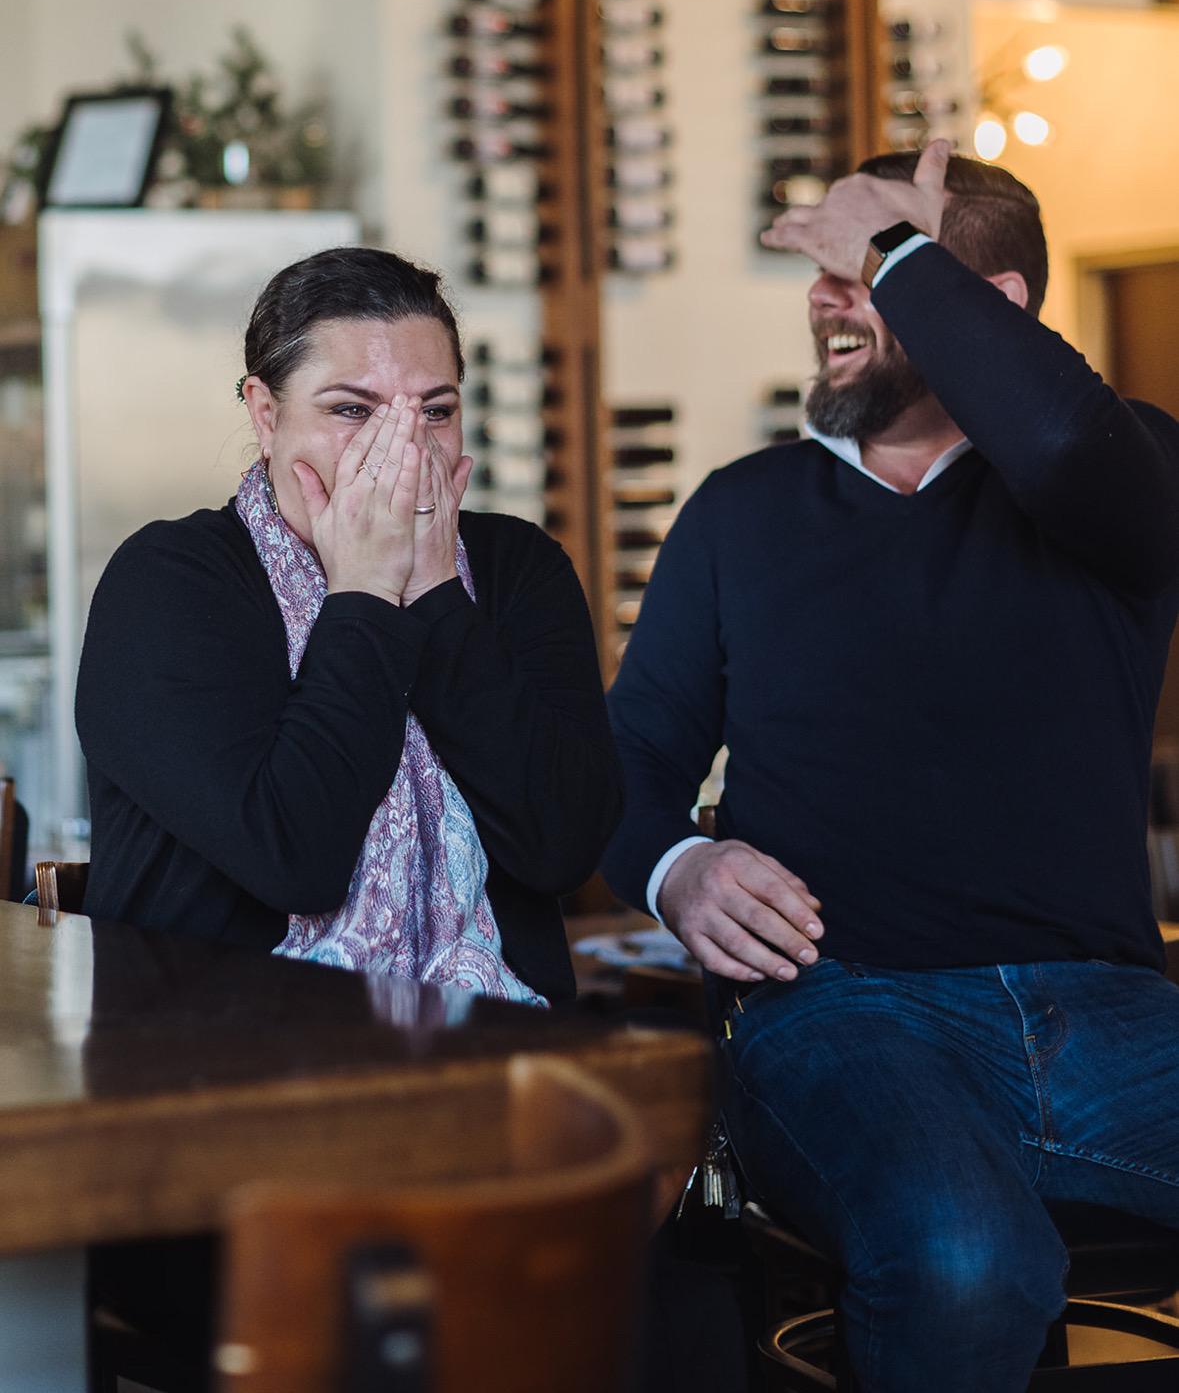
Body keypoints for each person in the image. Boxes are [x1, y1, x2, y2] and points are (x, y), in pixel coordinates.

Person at [602, 142, 1179, 1391]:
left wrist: (903, 257)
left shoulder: (1123, 470)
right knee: (968, 1261)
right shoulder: (739, 512)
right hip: (845, 1010)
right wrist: (678, 867)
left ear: (997, 304)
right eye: (832, 270)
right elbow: (629, 758)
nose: (824, 295)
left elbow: (1065, 441)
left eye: (863, 267)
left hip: (1114, 1012)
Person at [78, 244, 621, 1008]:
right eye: (351, 410)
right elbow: (295, 856)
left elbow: (562, 845)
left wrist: (434, 592)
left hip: (502, 1052)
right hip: (225, 1067)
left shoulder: (517, 568)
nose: (399, 447)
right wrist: (364, 591)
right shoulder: (169, 582)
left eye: (435, 411)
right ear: (266, 415)